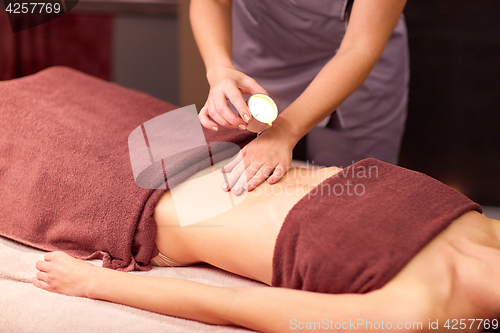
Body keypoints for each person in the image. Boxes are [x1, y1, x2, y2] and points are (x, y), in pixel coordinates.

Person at [33, 158, 500, 333]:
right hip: (221, 150)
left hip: (146, 202)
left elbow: (233, 305)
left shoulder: (417, 313)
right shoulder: (489, 231)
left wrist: (92, 283)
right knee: (62, 88)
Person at [192, 0, 410, 196]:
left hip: (356, 65)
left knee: (354, 193)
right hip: (259, 61)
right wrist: (219, 69)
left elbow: (359, 47)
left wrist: (285, 131)